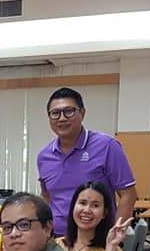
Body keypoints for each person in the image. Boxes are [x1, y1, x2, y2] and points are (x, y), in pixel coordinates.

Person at [37, 87, 137, 237]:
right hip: (57, 238)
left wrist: (116, 234)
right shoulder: (44, 156)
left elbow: (128, 194)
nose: (62, 118)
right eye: (55, 113)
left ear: (82, 113)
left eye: (69, 111)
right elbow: (46, 196)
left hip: (98, 239)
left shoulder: (107, 146)